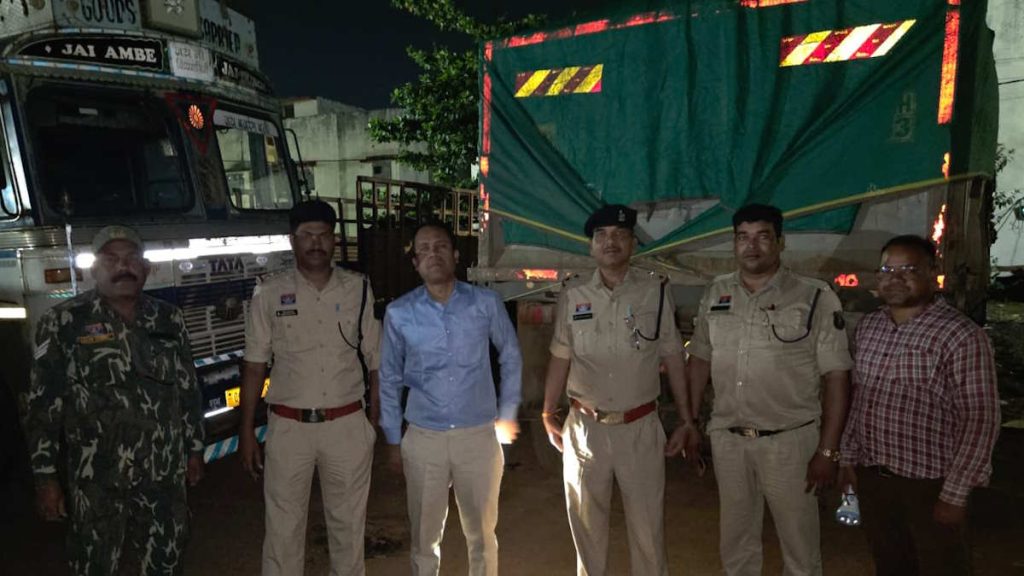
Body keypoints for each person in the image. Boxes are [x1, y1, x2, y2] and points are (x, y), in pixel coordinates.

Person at [25, 224, 205, 575]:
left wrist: (195, 449)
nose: (123, 266)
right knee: (93, 565)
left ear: (146, 267)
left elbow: (187, 389)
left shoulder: (168, 318)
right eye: (111, 259)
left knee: (167, 562)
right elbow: (43, 405)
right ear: (94, 269)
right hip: (97, 479)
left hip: (162, 475)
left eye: (132, 258)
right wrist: (45, 477)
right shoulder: (64, 322)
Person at [688, 203, 852, 576]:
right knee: (736, 544)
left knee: (799, 546)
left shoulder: (814, 296)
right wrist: (690, 420)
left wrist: (827, 450)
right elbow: (699, 358)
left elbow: (837, 377)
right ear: (734, 243)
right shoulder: (716, 292)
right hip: (729, 440)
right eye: (742, 238)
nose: (752, 246)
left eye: (762, 237)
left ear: (780, 242)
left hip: (789, 443)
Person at [541, 204, 699, 576]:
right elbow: (560, 356)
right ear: (591, 245)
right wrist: (548, 411)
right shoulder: (574, 293)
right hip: (585, 429)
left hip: (640, 427)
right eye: (601, 235)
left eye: (619, 235)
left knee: (648, 530)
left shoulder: (655, 292)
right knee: (586, 526)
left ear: (633, 244)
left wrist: (687, 420)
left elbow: (673, 356)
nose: (610, 242)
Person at [838, 235, 1000, 576]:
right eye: (887, 270)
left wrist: (955, 493)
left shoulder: (961, 335)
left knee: (942, 565)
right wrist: (848, 458)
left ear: (932, 274)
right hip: (875, 477)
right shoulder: (870, 327)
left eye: (908, 270)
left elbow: (980, 418)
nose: (895, 279)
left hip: (931, 483)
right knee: (891, 563)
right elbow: (860, 397)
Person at [238, 200, 381, 576]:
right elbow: (254, 365)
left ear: (335, 240)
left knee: (349, 527)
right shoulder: (269, 292)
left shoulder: (358, 288)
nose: (316, 243)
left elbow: (377, 360)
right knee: (282, 530)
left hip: (347, 425)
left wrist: (373, 424)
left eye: (323, 235)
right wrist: (246, 431)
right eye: (307, 235)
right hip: (288, 428)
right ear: (292, 240)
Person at [379, 221, 522, 576]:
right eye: (424, 250)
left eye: (441, 246)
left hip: (478, 436)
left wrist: (507, 413)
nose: (433, 255)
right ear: (415, 263)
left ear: (456, 255)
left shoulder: (485, 303)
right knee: (424, 537)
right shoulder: (399, 313)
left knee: (482, 535)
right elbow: (390, 378)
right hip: (424, 437)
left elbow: (510, 355)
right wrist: (393, 438)